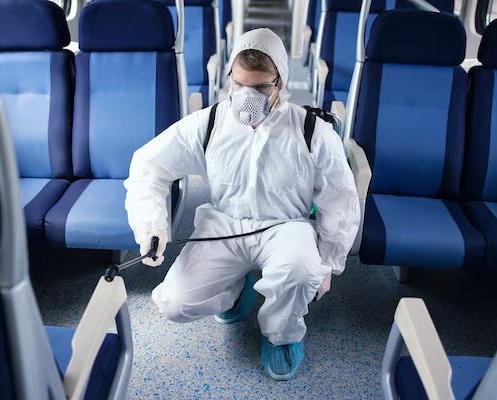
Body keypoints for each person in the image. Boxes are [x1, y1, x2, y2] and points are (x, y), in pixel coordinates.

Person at [124, 28, 360, 381]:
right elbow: (148, 166)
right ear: (229, 78)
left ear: (280, 83)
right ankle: (235, 291)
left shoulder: (312, 131)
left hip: (286, 226)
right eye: (239, 84)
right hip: (224, 224)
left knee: (301, 272)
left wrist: (328, 263)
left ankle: (282, 335)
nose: (248, 97)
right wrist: (151, 225)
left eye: (261, 87)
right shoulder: (210, 123)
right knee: (175, 303)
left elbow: (340, 200)